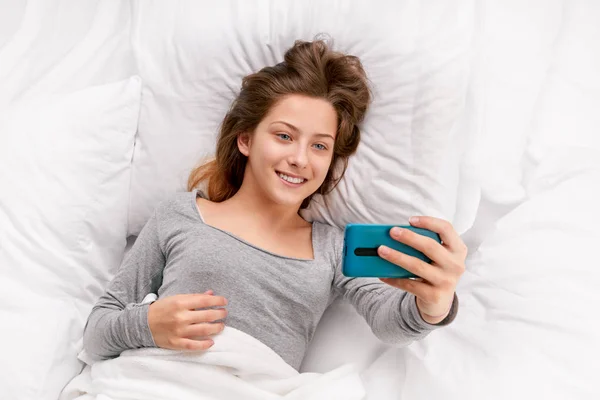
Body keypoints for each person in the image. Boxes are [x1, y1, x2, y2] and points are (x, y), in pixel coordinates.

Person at [83, 39, 466, 371]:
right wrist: (148, 325)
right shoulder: (180, 214)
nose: (301, 158)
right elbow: (97, 333)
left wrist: (434, 305)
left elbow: (389, 320)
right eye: (285, 136)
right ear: (245, 139)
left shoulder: (333, 248)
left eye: (319, 145)